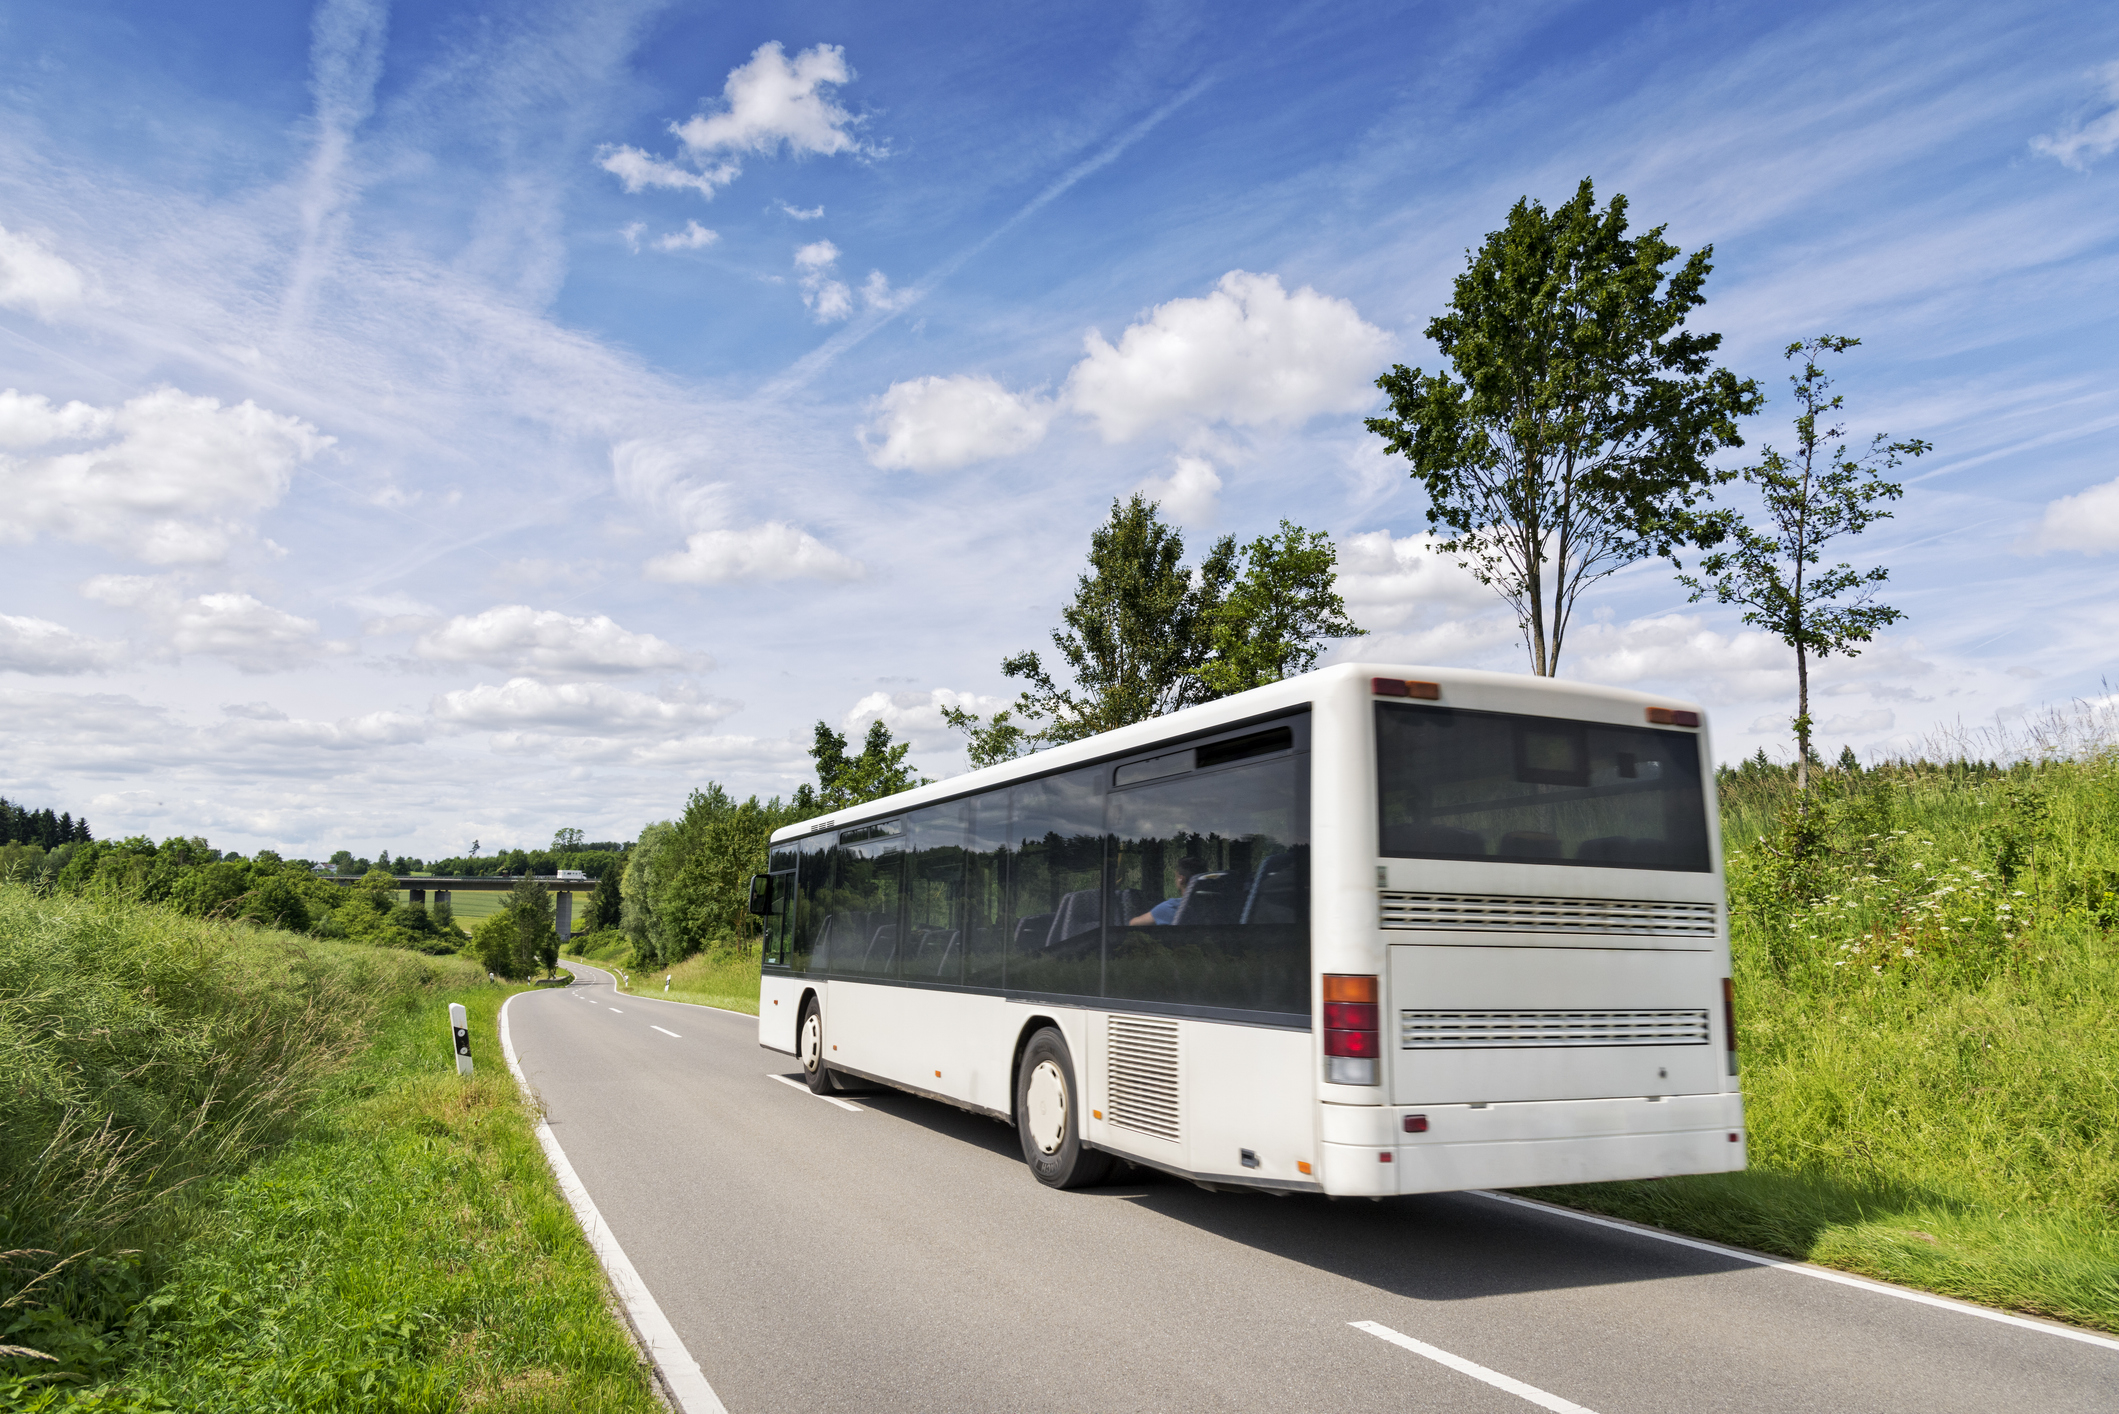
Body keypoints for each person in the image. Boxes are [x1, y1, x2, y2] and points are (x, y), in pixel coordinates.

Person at [1130, 855, 1208, 926]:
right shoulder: (1213, 906)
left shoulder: (1172, 907)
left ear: (1181, 879)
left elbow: (1133, 924)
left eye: (1176, 876)